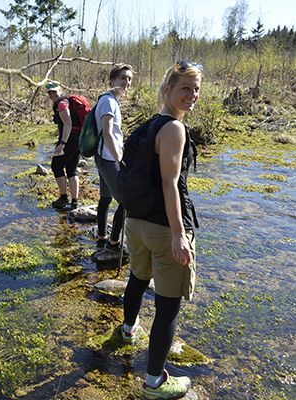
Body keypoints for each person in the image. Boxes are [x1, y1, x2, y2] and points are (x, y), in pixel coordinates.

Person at [121, 61, 202, 400]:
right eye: (185, 88)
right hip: (160, 226)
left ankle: (127, 329)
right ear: (167, 89)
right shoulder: (174, 129)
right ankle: (155, 381)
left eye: (196, 89)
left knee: (138, 278)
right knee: (168, 306)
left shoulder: (148, 126)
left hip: (135, 223)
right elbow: (170, 185)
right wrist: (179, 234)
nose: (192, 95)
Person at [94, 64, 134, 252]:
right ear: (112, 80)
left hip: (105, 156)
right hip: (109, 158)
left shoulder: (110, 100)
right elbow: (108, 133)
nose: (126, 82)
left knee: (105, 197)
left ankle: (102, 238)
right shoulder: (109, 102)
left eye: (129, 79)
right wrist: (119, 159)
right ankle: (114, 244)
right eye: (123, 78)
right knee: (126, 200)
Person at [46, 81, 81, 210]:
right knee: (72, 169)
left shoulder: (61, 104)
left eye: (54, 91)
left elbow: (68, 124)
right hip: (78, 140)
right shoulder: (65, 102)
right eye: (50, 92)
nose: (52, 94)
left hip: (69, 140)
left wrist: (62, 143)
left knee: (56, 166)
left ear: (60, 90)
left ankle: (63, 197)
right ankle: (75, 202)